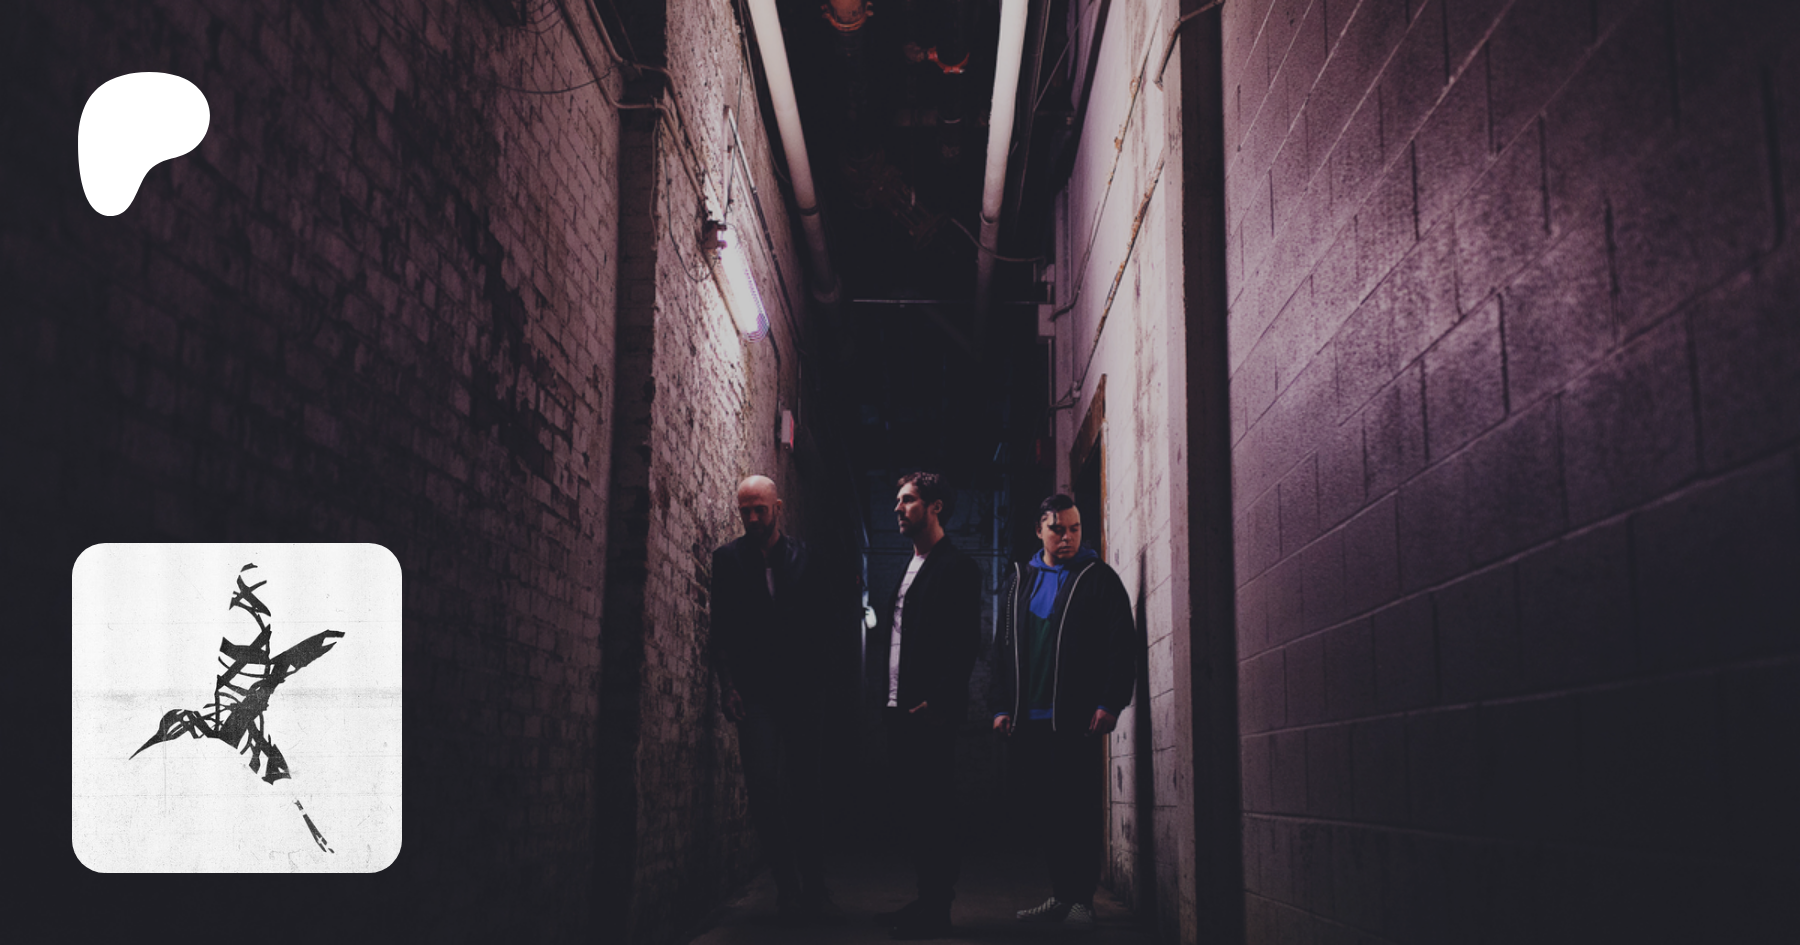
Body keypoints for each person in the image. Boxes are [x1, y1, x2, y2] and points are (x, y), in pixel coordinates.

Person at [989, 493, 1140, 933]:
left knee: (1076, 810)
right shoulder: (1019, 581)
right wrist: (1000, 705)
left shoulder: (1099, 578)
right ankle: (1061, 895)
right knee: (1046, 812)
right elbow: (1001, 649)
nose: (1068, 536)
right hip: (1028, 720)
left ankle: (1082, 902)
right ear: (1039, 530)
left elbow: (1122, 645)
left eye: (1075, 528)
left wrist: (1109, 702)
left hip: (1074, 719)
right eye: (1058, 529)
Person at [711, 475, 840, 924]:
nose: (751, 518)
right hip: (755, 693)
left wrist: (821, 682)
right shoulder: (727, 560)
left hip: (803, 692)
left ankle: (815, 887)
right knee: (763, 786)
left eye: (759, 509)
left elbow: (826, 624)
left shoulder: (808, 558)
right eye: (744, 510)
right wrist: (728, 685)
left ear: (777, 507)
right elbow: (721, 628)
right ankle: (787, 887)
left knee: (806, 788)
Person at [870, 471, 982, 940]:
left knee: (935, 808)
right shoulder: (908, 566)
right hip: (899, 707)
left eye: (908, 500)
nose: (898, 508)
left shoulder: (957, 567)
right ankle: (926, 899)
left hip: (930, 711)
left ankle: (938, 906)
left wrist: (939, 700)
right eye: (898, 500)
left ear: (936, 507)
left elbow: (964, 642)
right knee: (913, 809)